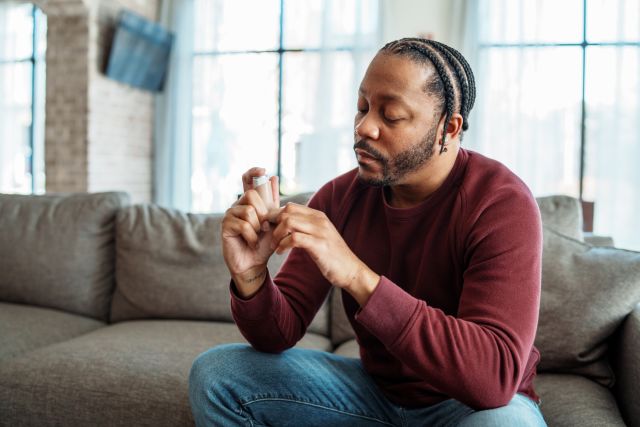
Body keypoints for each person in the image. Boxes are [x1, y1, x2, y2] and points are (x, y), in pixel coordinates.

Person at [189, 37, 547, 426]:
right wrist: (252, 276)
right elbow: (279, 332)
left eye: (390, 115)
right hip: (374, 395)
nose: (364, 127)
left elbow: (492, 381)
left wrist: (357, 276)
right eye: (362, 107)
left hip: (469, 408)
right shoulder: (340, 198)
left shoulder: (501, 203)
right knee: (218, 374)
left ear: (449, 128)